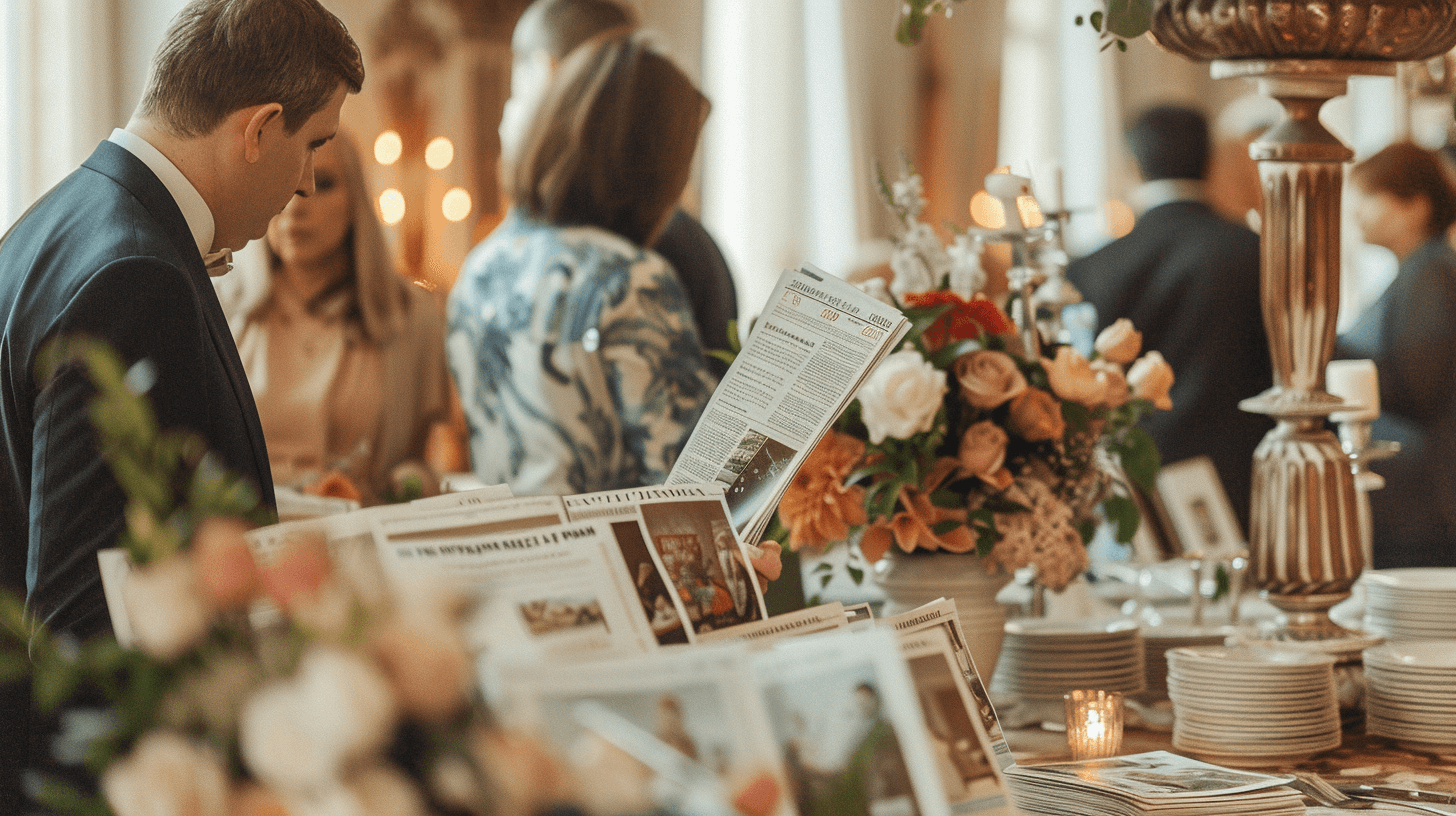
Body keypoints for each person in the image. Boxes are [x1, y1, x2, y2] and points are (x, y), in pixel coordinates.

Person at [0, 0, 362, 805]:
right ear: (260, 128)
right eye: (314, 144)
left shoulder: (59, 219)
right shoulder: (138, 276)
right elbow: (88, 611)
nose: (307, 180)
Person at [448, 32, 716, 495]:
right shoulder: (632, 279)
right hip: (607, 541)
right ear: (654, 165)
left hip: (504, 537)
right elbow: (690, 477)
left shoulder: (480, 267)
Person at [501, 0, 740, 377]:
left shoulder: (645, 262)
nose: (508, 114)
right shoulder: (679, 246)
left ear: (550, 73)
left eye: (517, 90)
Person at [216, 131, 455, 505]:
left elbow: (433, 461)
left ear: (355, 199)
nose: (294, 207)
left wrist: (401, 487)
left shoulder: (413, 316)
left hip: (362, 525)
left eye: (322, 183)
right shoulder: (220, 307)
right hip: (247, 526)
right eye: (281, 182)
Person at [1067, 104, 1271, 536]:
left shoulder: (1093, 266)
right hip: (1246, 468)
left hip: (1134, 474)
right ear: (1211, 162)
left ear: (1133, 166)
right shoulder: (1254, 251)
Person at [1337, 142, 1456, 569]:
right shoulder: (1417, 270)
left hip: (1424, 499)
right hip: (1417, 495)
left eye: (1370, 197)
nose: (1357, 212)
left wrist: (1331, 353)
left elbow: (1418, 387)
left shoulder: (1430, 272)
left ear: (1416, 207)